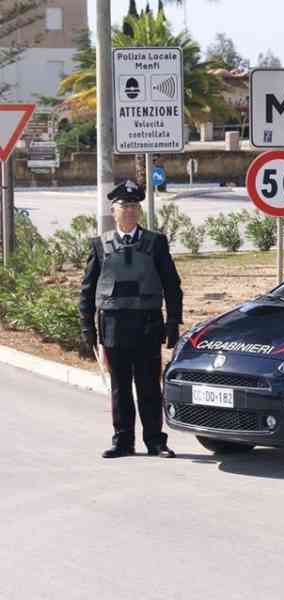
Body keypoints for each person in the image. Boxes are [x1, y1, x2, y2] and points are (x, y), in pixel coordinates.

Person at [79, 180, 183, 458]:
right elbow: (88, 290)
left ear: (139, 210)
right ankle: (123, 441)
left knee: (149, 386)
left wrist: (173, 322)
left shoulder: (156, 243)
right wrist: (87, 327)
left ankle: (156, 442)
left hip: (147, 325)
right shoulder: (100, 246)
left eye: (134, 206)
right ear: (113, 211)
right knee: (120, 388)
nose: (129, 211)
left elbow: (172, 285)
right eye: (123, 206)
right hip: (113, 327)